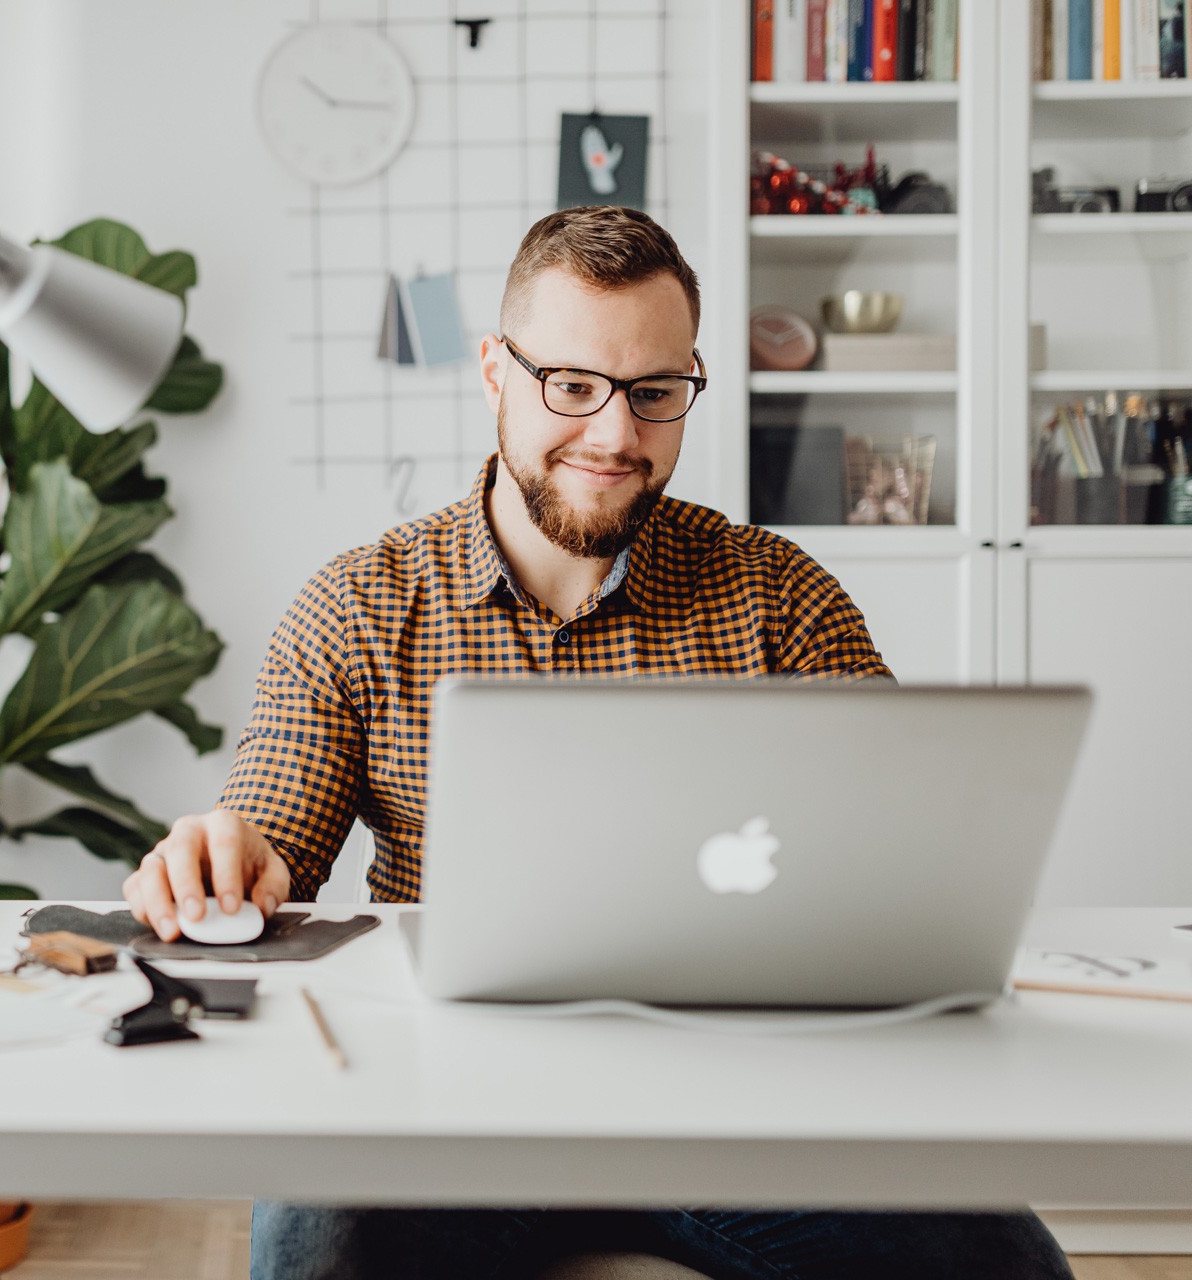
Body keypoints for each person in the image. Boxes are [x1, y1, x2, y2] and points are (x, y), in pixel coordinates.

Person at [123, 206, 1073, 1280]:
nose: (615, 434)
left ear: (688, 386)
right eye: (571, 385)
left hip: (745, 1094)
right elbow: (269, 827)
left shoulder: (778, 595)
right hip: (439, 1097)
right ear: (494, 370)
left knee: (1008, 1269)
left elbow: (904, 855)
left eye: (654, 392)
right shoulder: (359, 602)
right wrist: (225, 854)